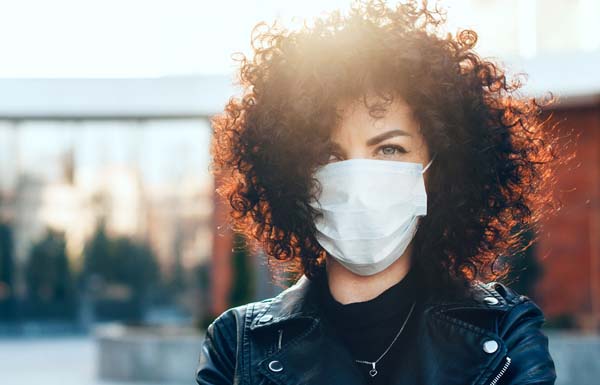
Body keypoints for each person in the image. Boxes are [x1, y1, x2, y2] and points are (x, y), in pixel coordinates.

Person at [196, 0, 564, 384]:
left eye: (389, 149)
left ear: (440, 169)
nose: (357, 178)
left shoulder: (504, 333)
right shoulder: (237, 345)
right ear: (291, 174)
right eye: (329, 154)